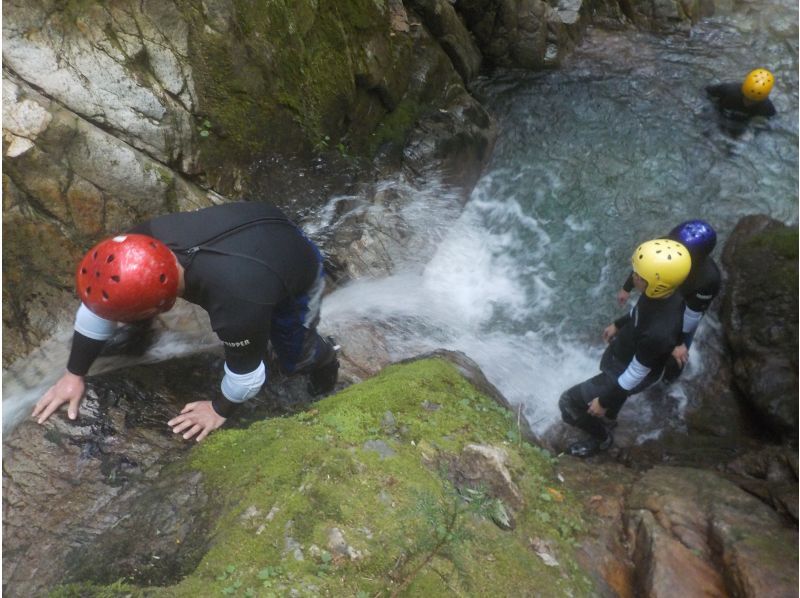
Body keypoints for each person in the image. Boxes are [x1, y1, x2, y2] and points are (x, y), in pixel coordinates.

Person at [32, 201, 340, 442]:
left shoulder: (237, 303)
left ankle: (327, 364)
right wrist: (74, 373)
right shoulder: (134, 246)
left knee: (293, 356)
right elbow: (100, 305)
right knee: (132, 296)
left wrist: (218, 409)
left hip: (295, 263)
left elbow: (247, 376)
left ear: (162, 306)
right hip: (252, 225)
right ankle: (140, 333)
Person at [559, 238, 691, 457]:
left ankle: (602, 439)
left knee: (568, 403)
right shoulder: (667, 294)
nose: (633, 277)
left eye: (639, 275)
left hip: (628, 368)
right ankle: (609, 420)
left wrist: (603, 401)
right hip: (626, 356)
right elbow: (640, 312)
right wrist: (619, 324)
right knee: (610, 393)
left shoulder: (659, 333)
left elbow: (634, 375)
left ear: (656, 283)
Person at [617, 220, 721, 382]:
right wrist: (626, 288)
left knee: (678, 354)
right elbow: (644, 265)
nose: (670, 249)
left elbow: (690, 317)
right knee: (643, 329)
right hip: (661, 292)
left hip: (684, 305)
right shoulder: (667, 245)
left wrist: (677, 343)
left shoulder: (707, 280)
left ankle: (668, 379)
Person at [706, 69, 776, 133]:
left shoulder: (766, 107)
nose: (748, 103)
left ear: (762, 99)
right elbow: (706, 92)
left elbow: (772, 120)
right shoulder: (729, 90)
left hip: (740, 125)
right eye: (747, 98)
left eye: (754, 101)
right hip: (717, 117)